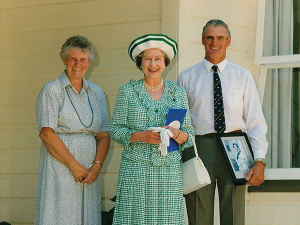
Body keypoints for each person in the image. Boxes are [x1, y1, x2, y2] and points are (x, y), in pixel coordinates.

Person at [178, 20, 268, 225]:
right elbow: (179, 122)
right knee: (198, 214)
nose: (214, 42)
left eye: (220, 37)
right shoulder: (186, 77)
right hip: (200, 148)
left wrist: (260, 159)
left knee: (234, 215)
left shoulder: (243, 77)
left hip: (236, 148)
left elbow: (255, 121)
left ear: (228, 41)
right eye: (209, 37)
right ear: (202, 40)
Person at [110, 34, 194, 225]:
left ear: (166, 62)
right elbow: (115, 129)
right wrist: (141, 136)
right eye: (147, 58)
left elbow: (189, 135)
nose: (153, 64)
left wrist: (176, 134)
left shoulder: (178, 93)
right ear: (140, 63)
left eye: (158, 58)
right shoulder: (128, 92)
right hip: (136, 169)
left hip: (168, 172)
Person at [34, 35, 110, 224]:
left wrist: (96, 166)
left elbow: (103, 134)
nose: (78, 64)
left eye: (83, 59)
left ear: (89, 62)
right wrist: (74, 166)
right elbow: (46, 133)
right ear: (64, 60)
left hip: (89, 171)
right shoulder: (52, 90)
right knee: (61, 215)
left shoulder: (97, 93)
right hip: (61, 167)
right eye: (73, 59)